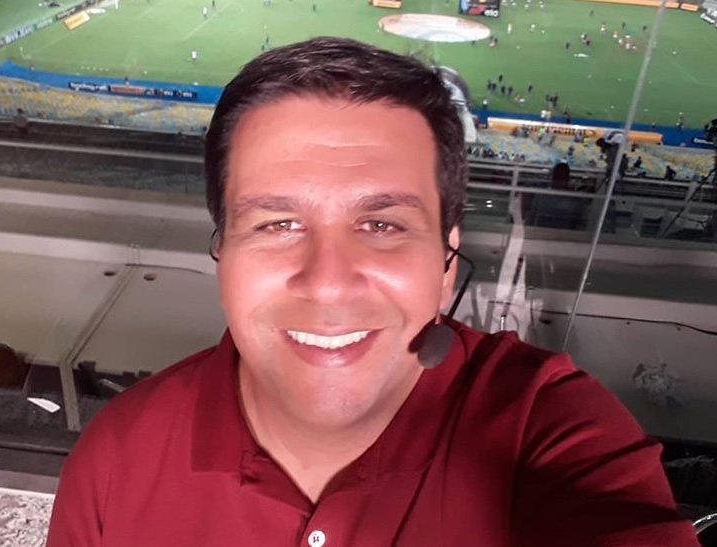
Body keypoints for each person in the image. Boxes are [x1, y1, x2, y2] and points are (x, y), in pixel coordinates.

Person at [46, 37, 699, 547]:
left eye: (382, 225)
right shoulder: (115, 459)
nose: (328, 281)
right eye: (277, 224)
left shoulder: (547, 432)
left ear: (446, 263)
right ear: (222, 255)